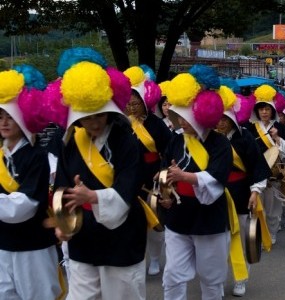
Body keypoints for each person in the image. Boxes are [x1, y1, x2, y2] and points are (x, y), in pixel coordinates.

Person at [50, 48, 148, 299]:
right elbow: (61, 187)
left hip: (122, 233)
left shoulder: (126, 141)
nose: (95, 123)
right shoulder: (69, 143)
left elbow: (131, 184)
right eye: (87, 117)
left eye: (100, 115)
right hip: (83, 235)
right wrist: (62, 223)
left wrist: (94, 197)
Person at [160, 72, 233, 299]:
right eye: (179, 116)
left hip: (209, 217)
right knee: (172, 273)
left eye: (187, 117)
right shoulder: (176, 138)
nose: (181, 122)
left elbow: (217, 177)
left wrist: (186, 177)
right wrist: (166, 192)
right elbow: (165, 170)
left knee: (211, 276)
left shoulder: (219, 143)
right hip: (178, 216)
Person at [0, 66, 61, 299]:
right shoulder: (1, 155)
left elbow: (23, 206)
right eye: (0, 116)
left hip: (33, 246)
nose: (4, 122)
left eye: (10, 116)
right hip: (3, 245)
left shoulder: (37, 157)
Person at [216, 92, 271, 297]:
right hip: (215, 194)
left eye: (225, 119)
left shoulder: (245, 136)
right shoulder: (208, 138)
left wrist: (255, 191)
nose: (220, 123)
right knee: (219, 241)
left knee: (239, 238)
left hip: (240, 194)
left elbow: (257, 165)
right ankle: (217, 281)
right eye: (218, 119)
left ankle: (241, 278)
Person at [123, 66, 172, 276]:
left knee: (155, 223)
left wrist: (162, 174)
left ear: (144, 103)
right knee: (131, 223)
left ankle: (154, 259)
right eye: (129, 103)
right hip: (128, 179)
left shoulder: (157, 125)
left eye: (136, 103)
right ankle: (135, 259)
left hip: (151, 178)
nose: (132, 107)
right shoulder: (121, 124)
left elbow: (169, 152)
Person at [246, 84, 285, 244]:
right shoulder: (249, 128)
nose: (264, 112)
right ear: (257, 111)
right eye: (261, 109)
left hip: (275, 175)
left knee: (273, 208)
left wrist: (278, 139)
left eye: (267, 109)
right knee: (257, 208)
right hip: (256, 174)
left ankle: (272, 233)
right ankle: (259, 235)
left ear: (273, 110)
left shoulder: (279, 127)